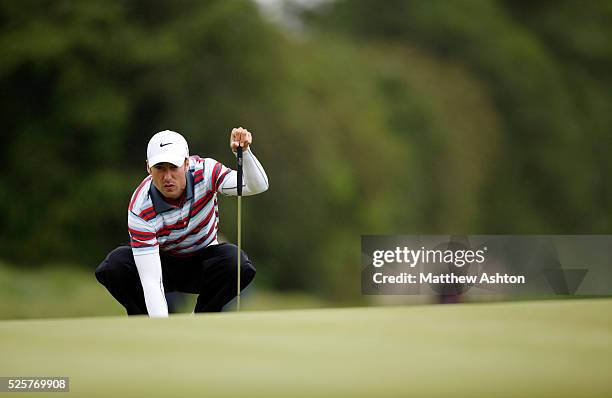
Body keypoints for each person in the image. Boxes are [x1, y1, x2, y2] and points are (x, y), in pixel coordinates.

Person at [95, 128, 269, 317]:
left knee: (235, 261)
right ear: (148, 168)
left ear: (186, 164)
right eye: (160, 168)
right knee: (115, 266)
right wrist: (162, 329)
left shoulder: (206, 171)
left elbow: (256, 185)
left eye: (173, 167)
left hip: (202, 262)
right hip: (161, 264)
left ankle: (201, 321)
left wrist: (244, 154)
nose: (167, 176)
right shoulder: (140, 207)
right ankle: (147, 326)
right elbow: (151, 281)